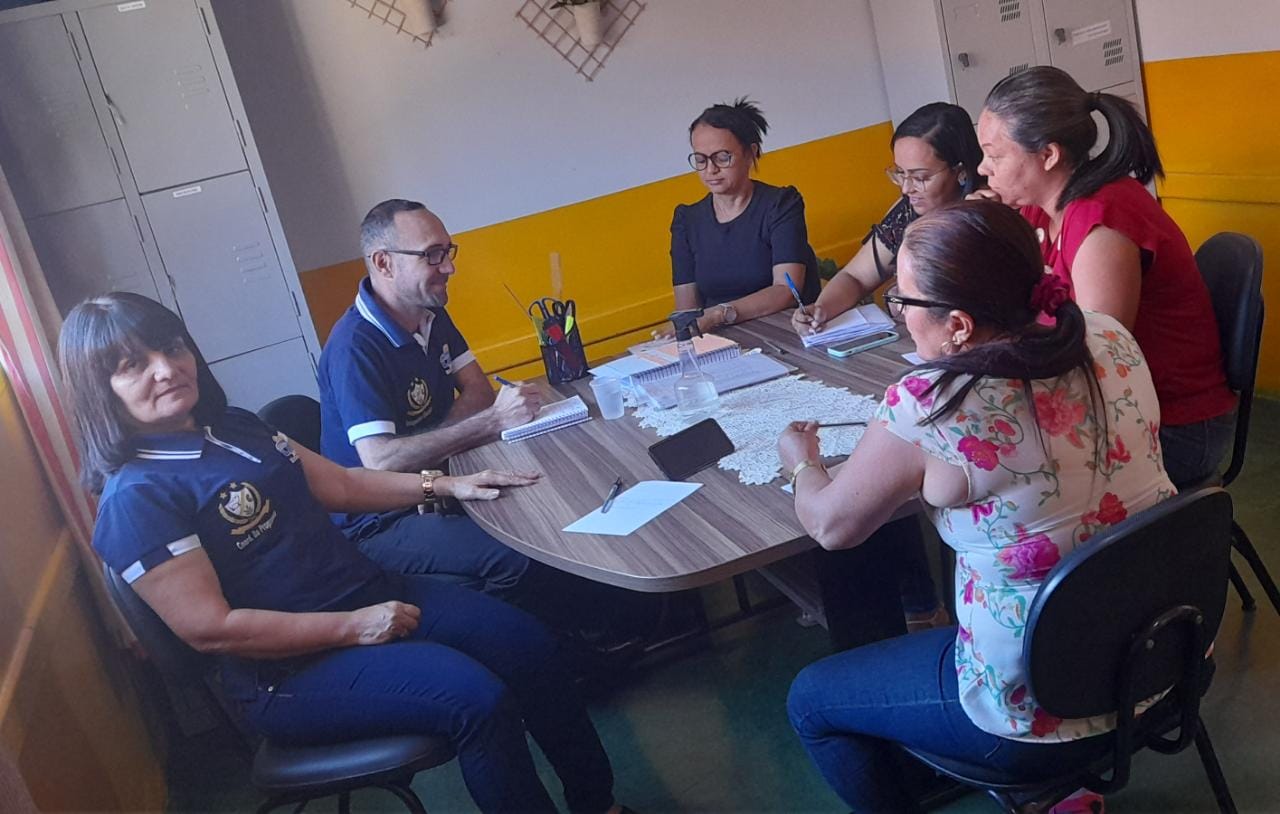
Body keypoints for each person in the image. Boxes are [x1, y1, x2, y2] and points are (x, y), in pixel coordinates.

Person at [63, 292, 629, 814]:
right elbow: (212, 630)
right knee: (478, 701)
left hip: (371, 593)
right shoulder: (136, 497)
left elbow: (342, 483)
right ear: (100, 391)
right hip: (289, 673)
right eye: (132, 365)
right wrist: (352, 627)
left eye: (171, 347)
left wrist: (445, 484)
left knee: (528, 643)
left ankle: (596, 804)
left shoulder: (234, 427)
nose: (166, 369)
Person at [780, 202, 1175, 813]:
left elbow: (831, 525)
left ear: (960, 325)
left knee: (811, 699)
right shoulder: (1107, 334)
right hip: (1164, 653)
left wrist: (801, 463)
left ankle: (996, 778)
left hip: (1036, 712)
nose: (899, 316)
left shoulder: (932, 404)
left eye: (902, 303)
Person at [976, 66, 1236, 488]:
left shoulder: (1101, 220)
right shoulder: (1038, 210)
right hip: (1124, 408)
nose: (983, 168)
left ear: (1048, 155)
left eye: (995, 155)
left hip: (1176, 427)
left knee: (1007, 476)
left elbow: (1100, 357)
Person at [793, 101, 984, 336]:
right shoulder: (908, 211)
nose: (906, 188)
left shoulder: (987, 216)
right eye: (900, 173)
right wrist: (821, 309)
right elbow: (856, 277)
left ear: (960, 171)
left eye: (920, 178)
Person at [669, 98, 820, 335]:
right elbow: (687, 311)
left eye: (722, 157)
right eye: (700, 160)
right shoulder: (687, 220)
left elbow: (786, 289)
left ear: (751, 153)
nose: (711, 169)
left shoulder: (781, 205)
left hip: (786, 333)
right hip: (720, 342)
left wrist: (720, 313)